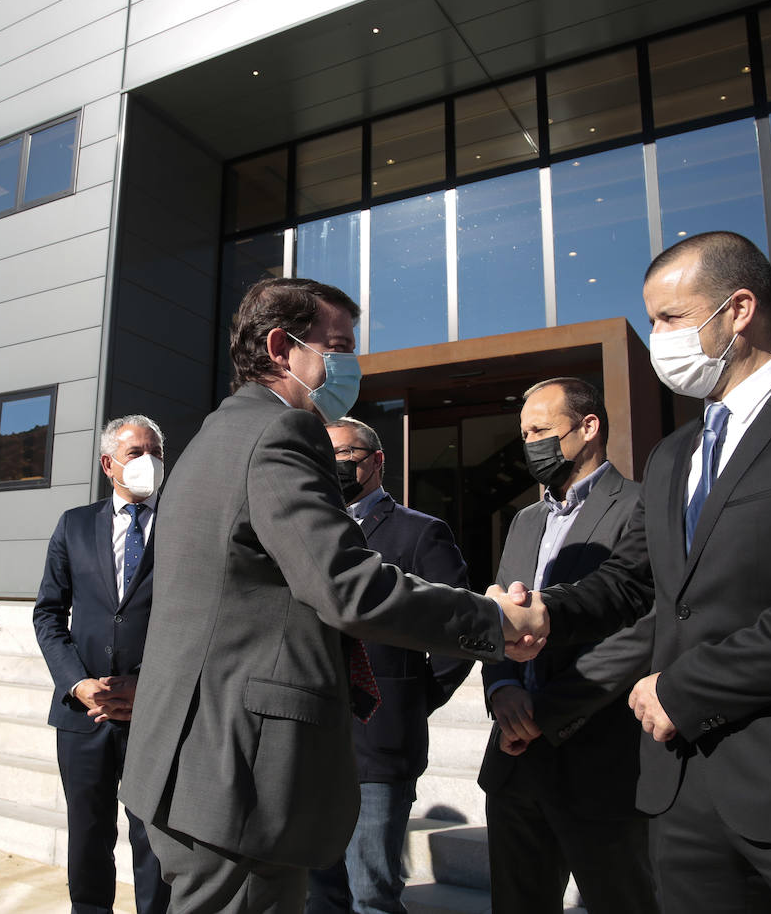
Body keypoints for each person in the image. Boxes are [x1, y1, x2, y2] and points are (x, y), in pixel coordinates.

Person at [514, 232, 771, 912]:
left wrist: (686, 688)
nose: (657, 338)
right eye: (650, 320)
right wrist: (542, 614)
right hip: (684, 801)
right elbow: (631, 581)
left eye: (670, 319)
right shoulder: (672, 455)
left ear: (738, 309)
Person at [120, 277, 548, 913]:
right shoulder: (280, 434)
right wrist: (493, 619)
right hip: (238, 777)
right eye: (339, 347)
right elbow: (348, 586)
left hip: (196, 764)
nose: (352, 366)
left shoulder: (211, 437)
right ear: (280, 347)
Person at [477, 378, 656, 914]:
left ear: (588, 428)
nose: (529, 442)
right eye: (524, 431)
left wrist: (549, 711)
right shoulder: (525, 521)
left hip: (598, 756)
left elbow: (643, 627)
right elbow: (500, 618)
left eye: (541, 430)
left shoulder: (640, 506)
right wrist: (503, 689)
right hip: (514, 760)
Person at [306, 417, 474, 914]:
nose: (334, 466)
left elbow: (456, 630)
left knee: (372, 891)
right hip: (313, 740)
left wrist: (412, 697)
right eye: (324, 455)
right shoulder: (308, 532)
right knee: (320, 891)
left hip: (380, 742)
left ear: (377, 461)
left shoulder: (421, 533)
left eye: (345, 455)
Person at [33, 415, 171, 914]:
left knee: (154, 838)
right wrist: (77, 684)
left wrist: (150, 686)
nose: (149, 460)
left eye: (156, 450)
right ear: (107, 464)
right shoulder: (74, 524)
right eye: (136, 452)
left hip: (155, 712)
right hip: (83, 714)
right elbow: (48, 612)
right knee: (87, 835)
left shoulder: (183, 521)